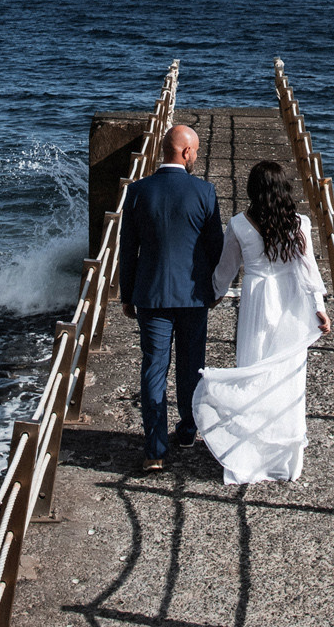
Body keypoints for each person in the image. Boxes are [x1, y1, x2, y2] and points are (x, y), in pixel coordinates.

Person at [189, 159, 330, 484]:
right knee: (288, 379)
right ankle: (287, 462)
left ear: (252, 189)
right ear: (284, 190)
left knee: (253, 374)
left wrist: (214, 293)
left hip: (257, 304)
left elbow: (226, 270)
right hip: (292, 304)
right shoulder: (300, 223)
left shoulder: (239, 224)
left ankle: (250, 455)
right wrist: (318, 307)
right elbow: (308, 269)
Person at [116, 122, 223, 472]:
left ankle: (155, 450)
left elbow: (127, 249)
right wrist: (216, 289)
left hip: (151, 294)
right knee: (191, 369)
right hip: (193, 296)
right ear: (186, 152)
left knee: (153, 370)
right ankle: (189, 431)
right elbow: (215, 248)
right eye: (196, 151)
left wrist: (127, 295)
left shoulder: (138, 192)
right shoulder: (204, 192)